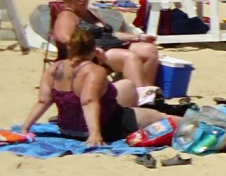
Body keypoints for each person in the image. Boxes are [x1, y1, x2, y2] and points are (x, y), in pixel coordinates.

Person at [18, 27, 172, 146]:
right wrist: (95, 134)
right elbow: (88, 101)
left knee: (128, 89)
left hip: (66, 128)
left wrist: (25, 129)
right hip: (102, 126)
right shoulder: (93, 70)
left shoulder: (54, 68)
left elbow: (43, 101)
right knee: (157, 117)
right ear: (94, 48)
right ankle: (193, 124)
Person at [54, 0, 160, 92]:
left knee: (149, 50)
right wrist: (89, 48)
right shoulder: (67, 15)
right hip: (96, 52)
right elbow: (63, 38)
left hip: (113, 44)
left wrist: (139, 37)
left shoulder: (90, 13)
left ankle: (148, 92)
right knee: (130, 57)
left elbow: (111, 34)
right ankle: (139, 96)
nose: (82, 0)